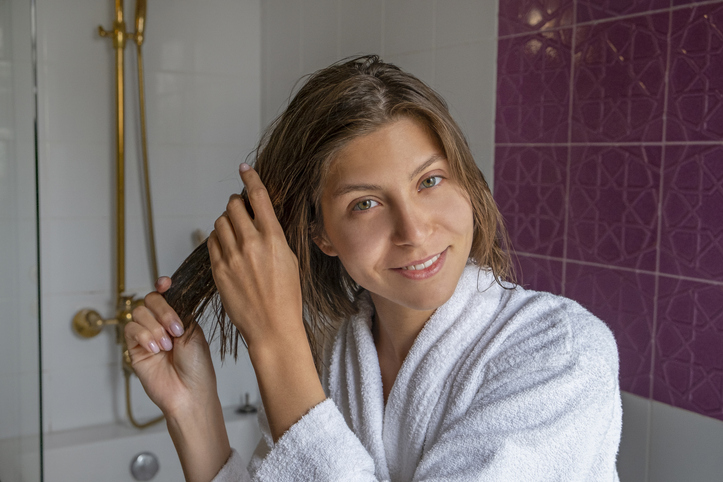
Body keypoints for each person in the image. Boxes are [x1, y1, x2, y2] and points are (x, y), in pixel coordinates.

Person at [125, 56, 622, 482]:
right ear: (320, 233)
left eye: (430, 180)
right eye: (365, 203)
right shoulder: (327, 358)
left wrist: (275, 341)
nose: (414, 230)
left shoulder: (562, 351)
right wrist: (192, 410)